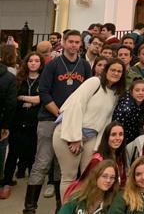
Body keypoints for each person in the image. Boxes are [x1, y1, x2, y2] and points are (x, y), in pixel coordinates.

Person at [25, 30, 92, 214]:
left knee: (62, 167)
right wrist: (59, 113)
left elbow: (89, 92)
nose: (73, 45)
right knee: (43, 162)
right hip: (50, 119)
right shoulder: (53, 65)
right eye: (70, 41)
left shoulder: (84, 66)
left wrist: (72, 118)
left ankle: (60, 207)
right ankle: (30, 207)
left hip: (74, 122)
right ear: (63, 42)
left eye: (77, 42)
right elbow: (44, 92)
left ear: (80, 44)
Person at [53, 58, 126, 197]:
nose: (116, 73)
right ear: (106, 71)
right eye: (113, 70)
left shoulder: (114, 94)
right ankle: (66, 209)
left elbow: (106, 121)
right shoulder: (94, 82)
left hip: (91, 137)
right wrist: (74, 138)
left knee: (90, 175)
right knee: (70, 177)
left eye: (119, 71)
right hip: (69, 132)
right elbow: (75, 105)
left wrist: (98, 146)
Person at [0, 52, 41, 199]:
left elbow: (42, 98)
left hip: (35, 122)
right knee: (13, 154)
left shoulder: (43, 80)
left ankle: (33, 182)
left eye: (37, 61)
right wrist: (30, 100)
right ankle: (7, 182)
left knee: (32, 151)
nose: (33, 63)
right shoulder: (18, 79)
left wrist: (25, 98)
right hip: (17, 121)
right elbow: (13, 98)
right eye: (31, 60)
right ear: (26, 63)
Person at [113, 80, 144, 144]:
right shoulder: (125, 108)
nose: (140, 93)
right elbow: (116, 127)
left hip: (134, 139)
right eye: (137, 90)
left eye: (143, 90)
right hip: (121, 140)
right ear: (131, 92)